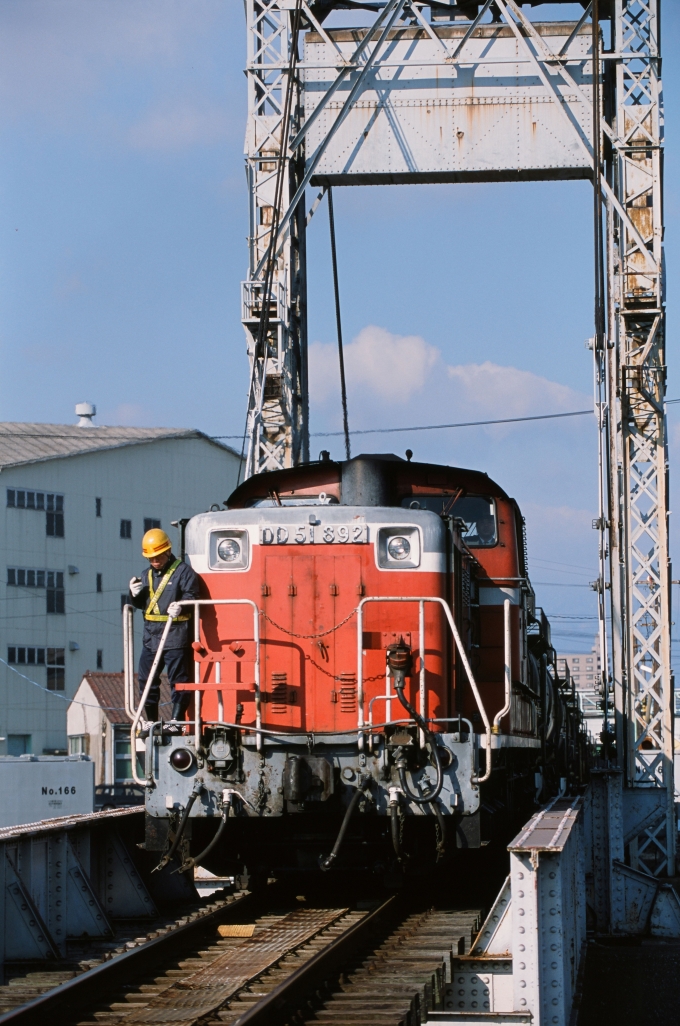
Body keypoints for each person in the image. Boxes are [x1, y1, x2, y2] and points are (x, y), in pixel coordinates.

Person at [129, 528, 200, 725]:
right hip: (151, 637)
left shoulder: (183, 571)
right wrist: (134, 595)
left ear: (168, 551)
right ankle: (152, 721)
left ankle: (176, 721)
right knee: (146, 679)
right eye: (151, 558)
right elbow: (143, 604)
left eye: (158, 557)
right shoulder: (146, 575)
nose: (154, 561)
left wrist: (182, 605)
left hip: (176, 634)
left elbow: (193, 595)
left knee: (178, 680)